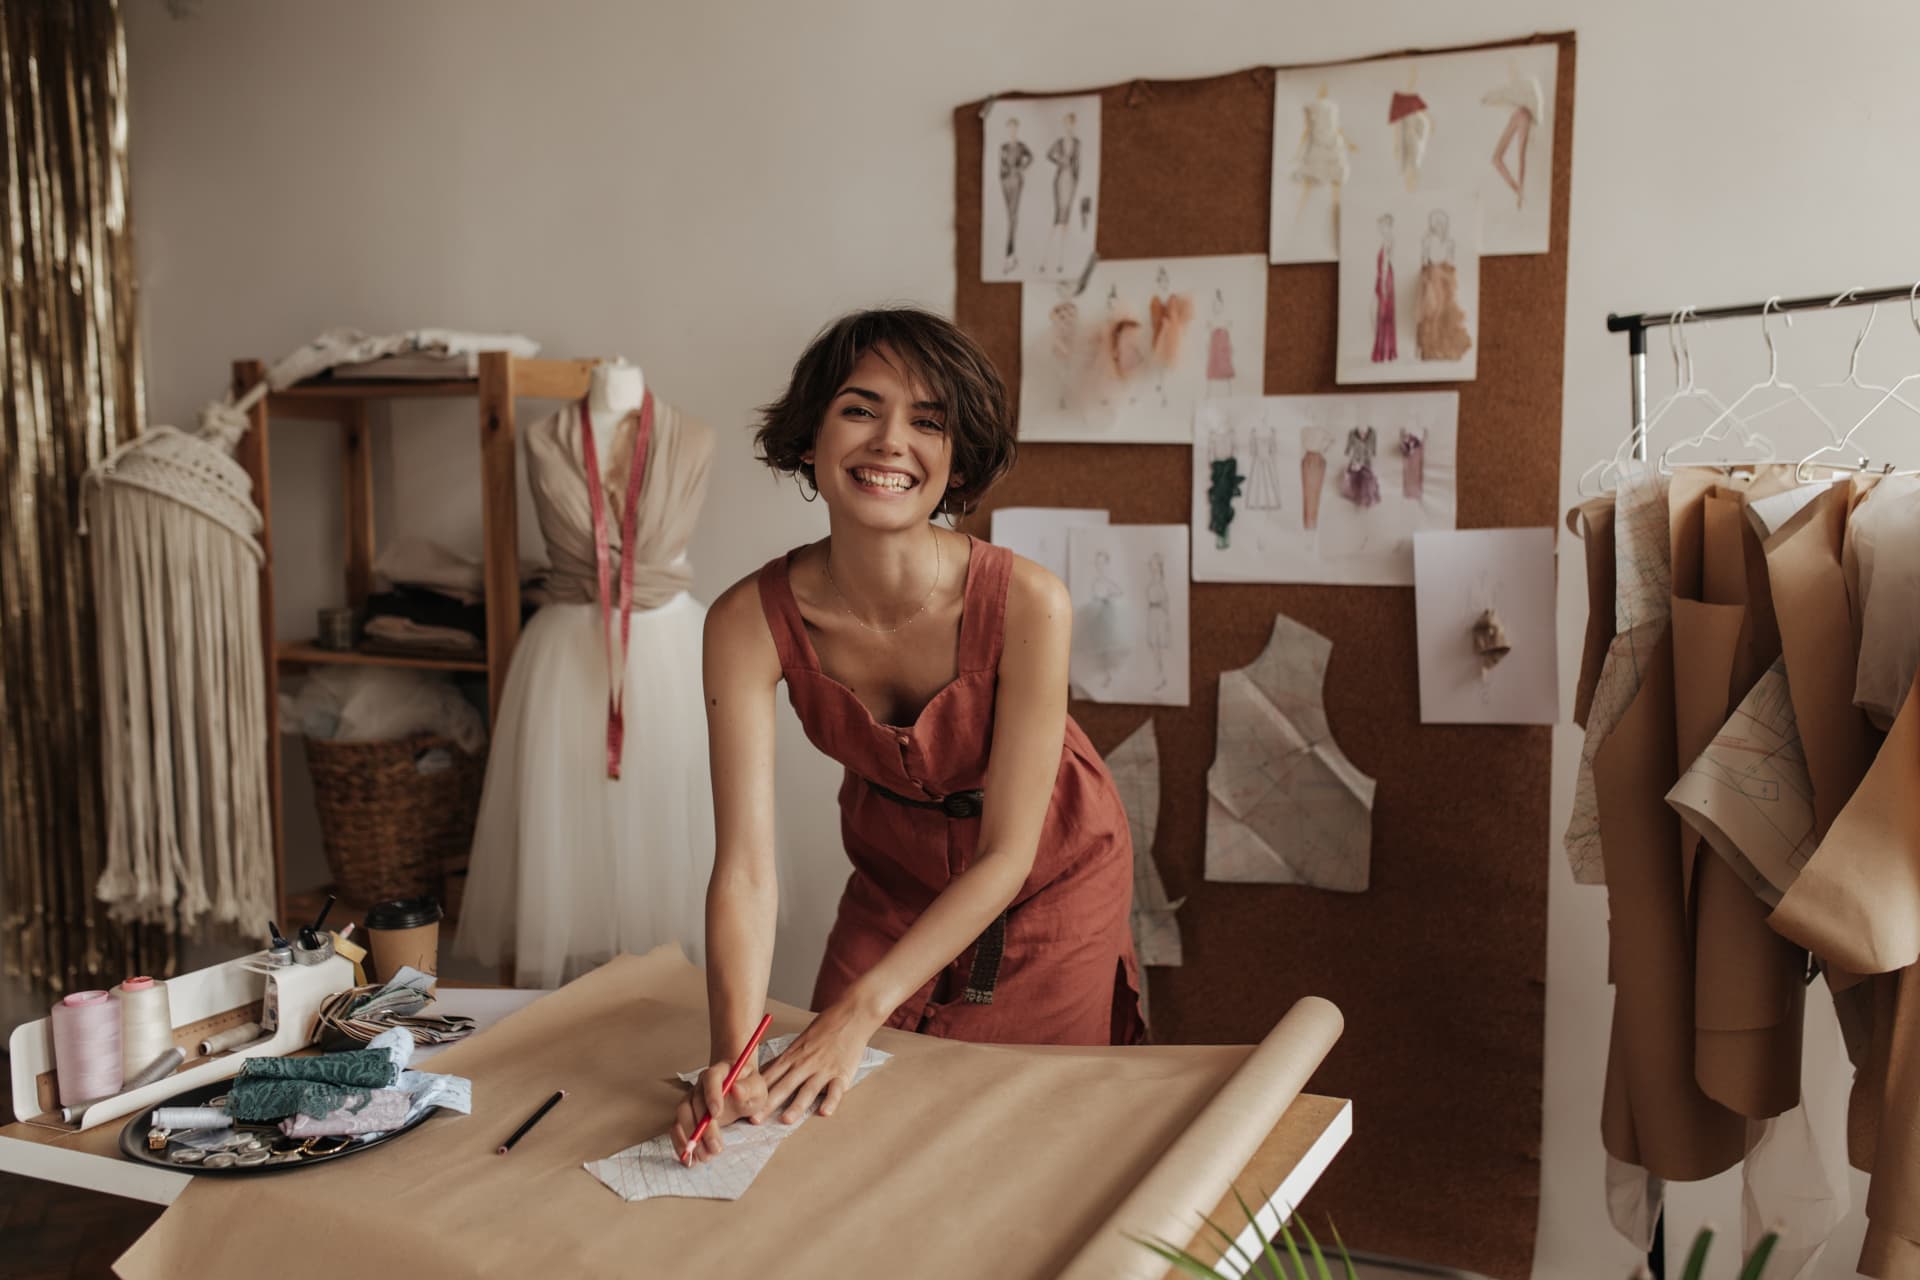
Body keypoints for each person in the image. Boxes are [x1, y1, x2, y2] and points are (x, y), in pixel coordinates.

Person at [673, 308, 1144, 1165]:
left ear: (956, 460)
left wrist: (859, 1009)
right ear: (810, 434)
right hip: (895, 866)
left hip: (1050, 866)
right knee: (811, 1118)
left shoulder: (1032, 602)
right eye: (861, 408)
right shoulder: (745, 621)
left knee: (1023, 1138)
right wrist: (733, 1057)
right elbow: (744, 868)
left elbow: (1007, 854)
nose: (892, 441)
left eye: (928, 421)